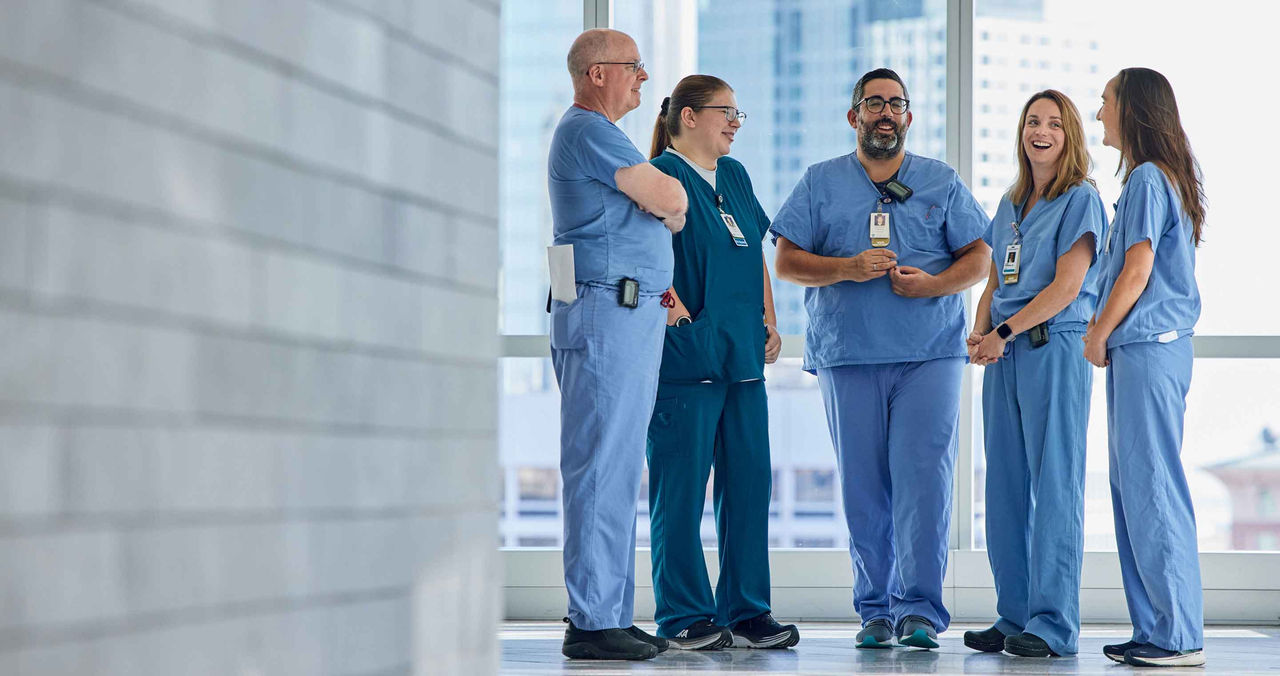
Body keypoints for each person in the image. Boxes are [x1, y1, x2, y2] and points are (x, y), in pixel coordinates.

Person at [770, 68, 990, 650]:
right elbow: (786, 262)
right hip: (849, 355)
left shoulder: (940, 181)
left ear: (909, 117)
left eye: (896, 104)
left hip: (929, 356)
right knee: (864, 488)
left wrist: (935, 285)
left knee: (924, 482)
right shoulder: (821, 183)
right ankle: (874, 609)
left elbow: (981, 258)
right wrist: (844, 267)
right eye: (874, 103)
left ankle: (919, 609)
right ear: (855, 117)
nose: (885, 112)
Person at [547, 28, 688, 661]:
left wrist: (665, 203)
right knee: (602, 467)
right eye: (634, 67)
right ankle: (592, 619)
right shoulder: (586, 128)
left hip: (623, 314)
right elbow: (670, 196)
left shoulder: (608, 137)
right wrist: (666, 200)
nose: (644, 78)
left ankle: (604, 612)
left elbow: (666, 204)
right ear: (598, 72)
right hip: (607, 313)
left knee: (615, 467)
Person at [643, 74, 797, 652]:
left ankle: (746, 609)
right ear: (688, 117)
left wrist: (770, 320)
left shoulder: (733, 175)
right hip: (688, 360)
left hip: (743, 358)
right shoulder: (659, 176)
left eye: (739, 113)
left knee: (749, 482)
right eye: (725, 112)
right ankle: (683, 613)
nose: (736, 122)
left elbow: (754, 250)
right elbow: (647, 261)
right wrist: (682, 321)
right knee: (680, 491)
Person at [963, 90, 1106, 658]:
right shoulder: (1011, 202)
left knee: (1055, 486)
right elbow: (996, 280)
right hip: (1005, 354)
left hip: (1054, 348)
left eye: (1053, 123)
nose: (1040, 131)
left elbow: (1067, 286)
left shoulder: (1081, 199)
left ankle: (1053, 625)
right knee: (1004, 489)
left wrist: (1001, 333)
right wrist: (980, 332)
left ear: (1070, 135)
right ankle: (1013, 614)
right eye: (1032, 122)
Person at [1085, 67, 1207, 668]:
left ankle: (1177, 634)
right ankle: (1158, 628)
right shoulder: (1155, 180)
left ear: (1131, 109)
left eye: (1105, 100)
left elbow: (1136, 273)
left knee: (1152, 487)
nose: (1098, 110)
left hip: (1147, 349)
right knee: (1135, 488)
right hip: (1147, 352)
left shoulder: (1148, 180)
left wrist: (1097, 333)